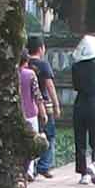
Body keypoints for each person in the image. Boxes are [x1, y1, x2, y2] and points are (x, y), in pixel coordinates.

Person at [68, 32, 95, 183]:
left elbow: (75, 86)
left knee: (80, 140)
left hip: (80, 104)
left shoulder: (75, 67)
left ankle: (83, 174)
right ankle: (94, 164)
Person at [26, 34, 59, 174]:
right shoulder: (43, 65)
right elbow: (49, 86)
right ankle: (44, 165)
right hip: (44, 104)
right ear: (41, 48)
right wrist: (56, 105)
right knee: (49, 134)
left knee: (33, 135)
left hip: (28, 104)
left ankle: (30, 168)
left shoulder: (24, 63)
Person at [17, 45, 48, 178]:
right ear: (26, 60)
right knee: (32, 142)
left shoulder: (12, 75)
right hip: (31, 113)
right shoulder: (30, 74)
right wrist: (43, 113)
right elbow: (37, 95)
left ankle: (19, 169)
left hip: (17, 113)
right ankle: (29, 170)